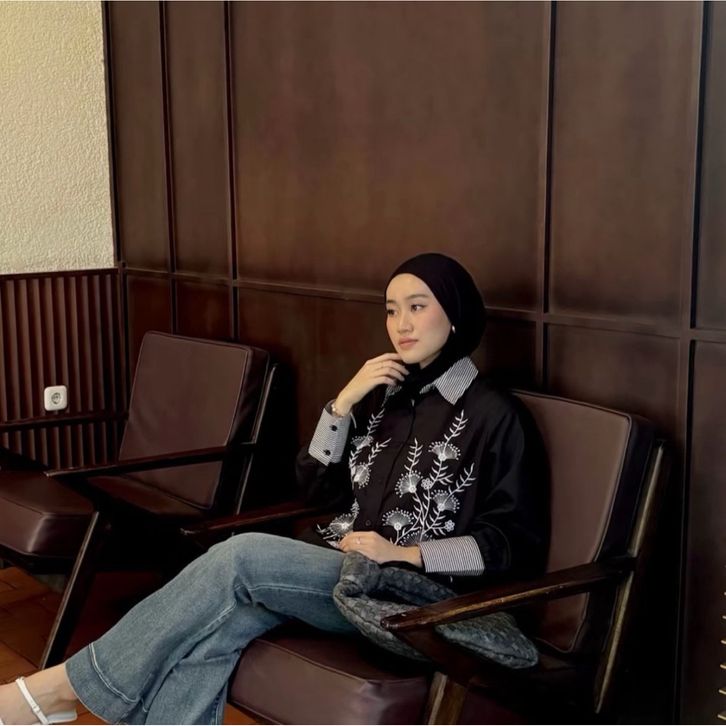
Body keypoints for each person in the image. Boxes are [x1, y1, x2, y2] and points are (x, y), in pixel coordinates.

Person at [0, 253, 549, 725]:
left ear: (455, 314)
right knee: (220, 627)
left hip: (415, 597)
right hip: (342, 570)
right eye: (390, 309)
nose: (401, 323)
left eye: (417, 306)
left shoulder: (494, 414)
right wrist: (342, 405)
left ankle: (61, 689)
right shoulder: (386, 396)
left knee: (240, 556)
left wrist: (405, 554)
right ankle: (65, 694)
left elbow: (510, 542)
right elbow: (315, 488)